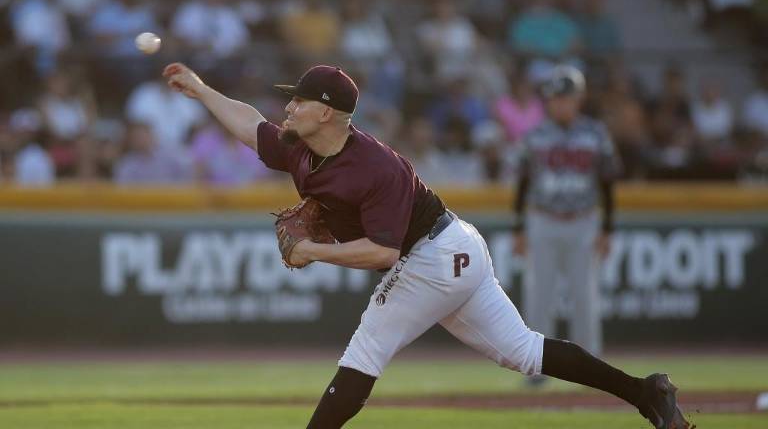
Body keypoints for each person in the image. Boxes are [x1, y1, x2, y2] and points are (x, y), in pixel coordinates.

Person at [163, 62, 690, 429]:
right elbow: (249, 124)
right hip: (454, 249)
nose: (289, 106)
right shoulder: (298, 145)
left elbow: (383, 254)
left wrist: (315, 251)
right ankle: (645, 392)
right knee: (525, 352)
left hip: (431, 257)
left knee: (364, 352)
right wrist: (202, 89)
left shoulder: (374, 167)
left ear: (326, 112)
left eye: (298, 99)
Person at [513, 66, 615, 365]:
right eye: (555, 98)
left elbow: (608, 183)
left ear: (578, 98)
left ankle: (591, 367)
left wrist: (607, 228)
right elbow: (522, 184)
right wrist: (518, 227)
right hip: (543, 219)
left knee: (585, 297)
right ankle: (537, 365)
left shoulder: (595, 134)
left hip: (584, 220)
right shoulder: (535, 136)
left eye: (565, 97)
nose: (560, 103)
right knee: (539, 297)